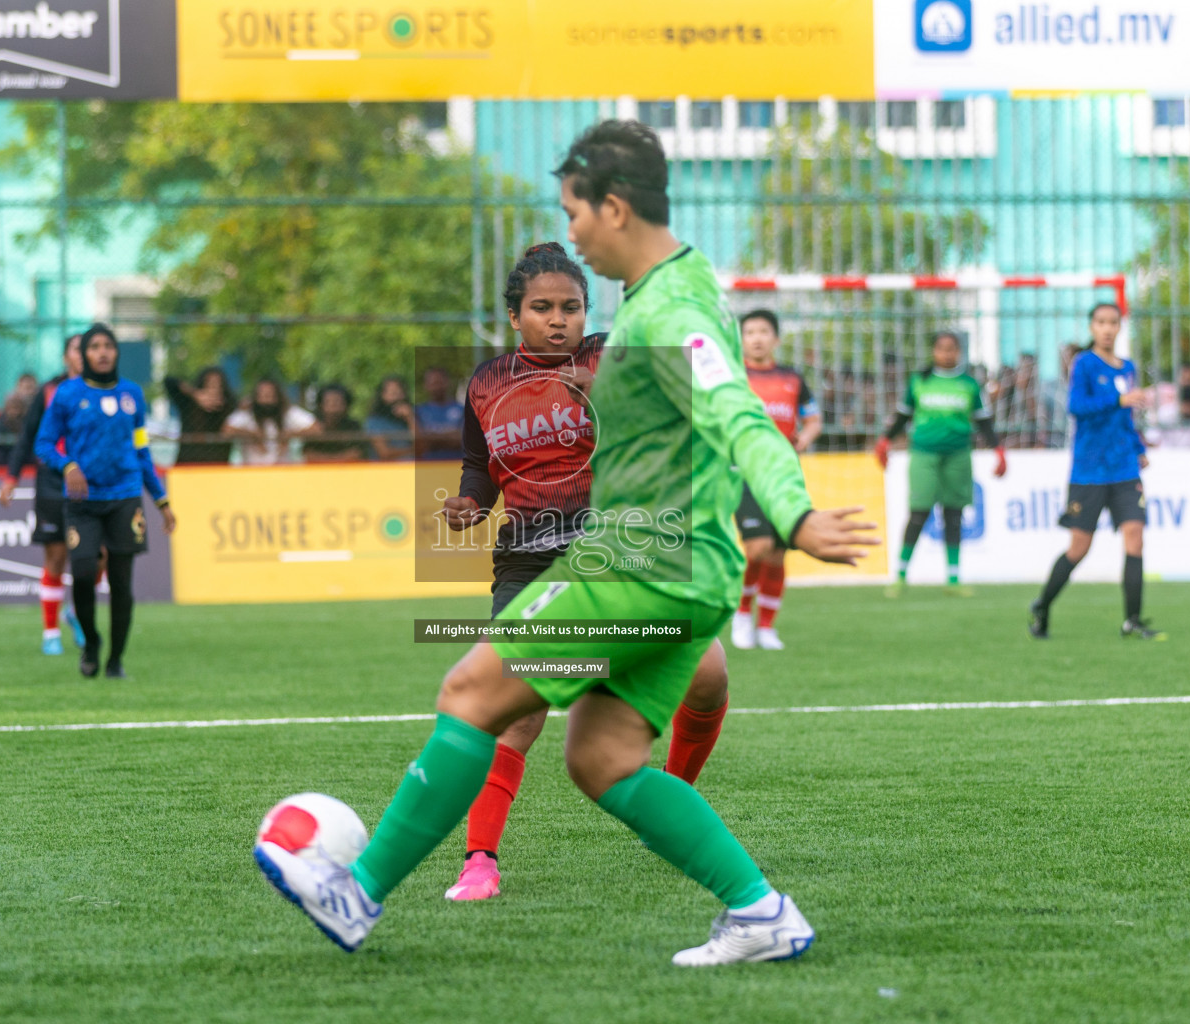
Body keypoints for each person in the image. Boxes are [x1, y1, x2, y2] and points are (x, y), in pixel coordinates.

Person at [255, 119, 878, 965]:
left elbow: (736, 410)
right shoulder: (673, 288)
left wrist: (796, 516)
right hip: (685, 568)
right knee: (604, 757)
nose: (573, 232)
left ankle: (355, 894)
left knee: (472, 689)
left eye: (575, 213)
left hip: (645, 563)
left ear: (613, 208)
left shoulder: (672, 309)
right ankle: (760, 911)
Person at [439, 241, 733, 902]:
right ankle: (479, 859)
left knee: (708, 676)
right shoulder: (486, 384)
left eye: (570, 306)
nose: (558, 320)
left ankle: (671, 811)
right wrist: (467, 505)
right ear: (514, 316)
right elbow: (480, 470)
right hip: (529, 564)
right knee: (517, 713)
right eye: (541, 308)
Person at [35, 324, 176, 677]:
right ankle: (92, 642)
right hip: (83, 501)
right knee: (82, 574)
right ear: (83, 354)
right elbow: (43, 444)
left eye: (108, 346)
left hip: (125, 498)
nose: (102, 352)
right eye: (94, 346)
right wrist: (67, 465)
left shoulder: (133, 394)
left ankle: (115, 661)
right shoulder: (67, 394)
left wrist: (161, 500)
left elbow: (142, 450)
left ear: (116, 352)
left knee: (121, 582)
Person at [1028, 303, 1163, 641]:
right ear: (1092, 327)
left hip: (1124, 469)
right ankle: (1043, 605)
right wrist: (1119, 401)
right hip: (1089, 471)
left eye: (1112, 322)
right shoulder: (1085, 364)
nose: (1106, 328)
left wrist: (1138, 449)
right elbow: (1076, 408)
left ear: (1120, 327)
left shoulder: (1128, 367)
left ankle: (1132, 619)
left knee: (1135, 537)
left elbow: (1125, 419)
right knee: (1079, 548)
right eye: (1100, 322)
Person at [876, 331, 1006, 596]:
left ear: (958, 352)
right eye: (941, 348)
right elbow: (903, 415)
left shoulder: (969, 384)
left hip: (958, 454)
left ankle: (953, 579)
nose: (947, 353)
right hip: (924, 454)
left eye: (952, 349)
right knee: (919, 512)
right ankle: (900, 575)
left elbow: (983, 421)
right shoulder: (920, 381)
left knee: (954, 514)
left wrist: (998, 450)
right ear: (934, 351)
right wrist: (885, 441)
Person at [731, 308, 822, 650]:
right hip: (743, 472)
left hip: (783, 474)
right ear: (741, 339)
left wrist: (805, 438)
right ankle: (742, 615)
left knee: (777, 555)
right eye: (750, 331)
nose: (757, 338)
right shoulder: (733, 377)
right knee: (757, 547)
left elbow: (813, 419)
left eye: (763, 331)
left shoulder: (793, 379)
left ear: (775, 339)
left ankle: (767, 627)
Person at [2, 335, 88, 656]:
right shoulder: (50, 391)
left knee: (100, 556)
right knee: (56, 558)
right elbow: (28, 436)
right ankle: (51, 632)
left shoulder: (108, 390)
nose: (87, 354)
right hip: (54, 482)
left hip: (93, 483)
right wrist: (11, 476)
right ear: (66, 356)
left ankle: (76, 612)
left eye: (92, 347)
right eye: (79, 349)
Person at [223, 378, 317, 465]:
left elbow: (316, 428)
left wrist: (290, 435)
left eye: (270, 395)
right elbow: (227, 430)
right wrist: (252, 435)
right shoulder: (247, 413)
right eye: (262, 395)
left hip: (282, 473)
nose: (266, 400)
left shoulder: (288, 412)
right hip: (252, 473)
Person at [166, 367, 236, 465]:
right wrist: (195, 394)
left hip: (218, 467)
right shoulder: (188, 403)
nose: (213, 389)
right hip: (187, 466)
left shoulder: (229, 406)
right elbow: (169, 381)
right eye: (210, 385)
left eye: (217, 385)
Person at [302, 384, 368, 462]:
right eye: (328, 402)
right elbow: (309, 455)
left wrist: (329, 460)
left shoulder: (353, 426)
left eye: (337, 402)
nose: (333, 407)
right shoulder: (314, 427)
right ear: (320, 405)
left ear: (346, 405)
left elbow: (356, 454)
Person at [414, 367, 465, 461]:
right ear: (426, 385)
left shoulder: (462, 410)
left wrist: (431, 437)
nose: (437, 387)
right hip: (428, 465)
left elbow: (461, 439)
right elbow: (420, 442)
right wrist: (449, 436)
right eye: (433, 383)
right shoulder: (418, 411)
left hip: (457, 464)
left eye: (440, 382)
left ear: (448, 383)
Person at [365, 376, 415, 461]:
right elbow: (385, 454)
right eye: (393, 393)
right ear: (382, 396)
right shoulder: (374, 422)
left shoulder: (411, 416)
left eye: (400, 393)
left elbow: (421, 444)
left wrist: (410, 418)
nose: (397, 398)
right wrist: (412, 450)